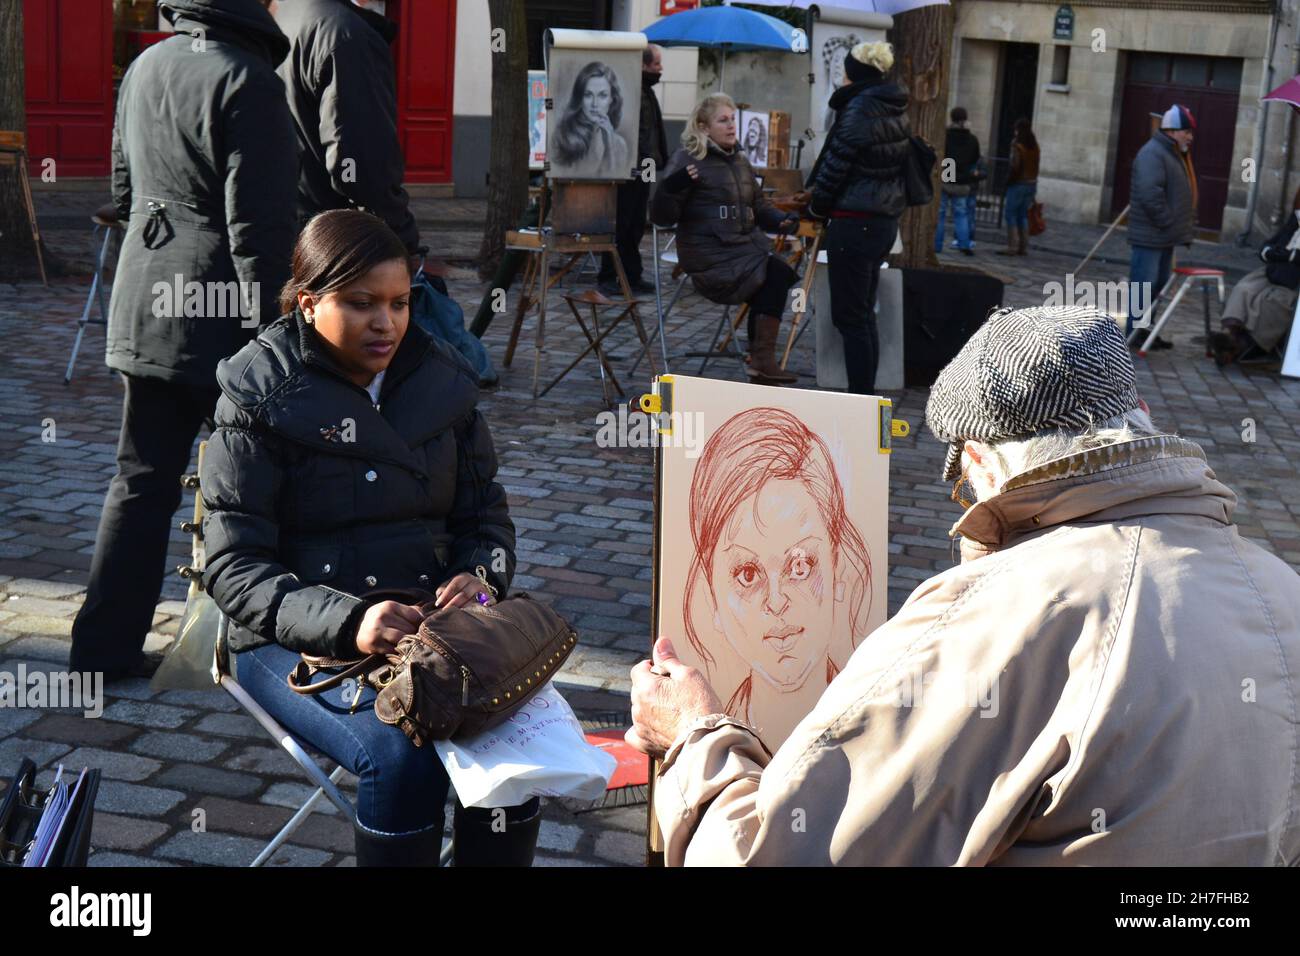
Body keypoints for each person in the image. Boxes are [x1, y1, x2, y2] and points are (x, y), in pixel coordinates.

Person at [627, 305, 1300, 866]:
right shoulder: (1282, 590)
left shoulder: (1002, 614)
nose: (779, 599)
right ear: (1141, 413)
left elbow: (767, 857)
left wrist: (693, 736)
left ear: (976, 460)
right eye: (746, 570)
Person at [200, 210, 539, 867]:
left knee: (513, 759)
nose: (385, 323)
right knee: (401, 757)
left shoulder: (443, 384)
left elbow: (486, 519)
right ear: (307, 303)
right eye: (360, 305)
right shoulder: (258, 395)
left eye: (399, 302)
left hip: (430, 630)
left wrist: (481, 577)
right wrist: (349, 622)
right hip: (291, 636)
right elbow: (235, 566)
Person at [69, 0, 296, 681]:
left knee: (141, 481)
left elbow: (122, 190)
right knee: (267, 478)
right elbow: (258, 226)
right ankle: (272, 646)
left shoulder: (144, 64)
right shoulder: (249, 80)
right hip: (218, 312)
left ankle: (100, 651)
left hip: (145, 297)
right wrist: (276, 330)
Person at [681, 407, 872, 746]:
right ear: (713, 594)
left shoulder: (879, 733)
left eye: (800, 566)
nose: (776, 601)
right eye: (747, 574)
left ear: (835, 566)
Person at [650, 94, 801, 385]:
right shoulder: (688, 159)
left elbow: (757, 206)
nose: (732, 125)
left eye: (733, 119)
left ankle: (760, 361)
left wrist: (781, 220)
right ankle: (761, 361)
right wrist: (672, 186)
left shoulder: (740, 161)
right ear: (704, 128)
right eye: (723, 120)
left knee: (777, 274)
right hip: (709, 256)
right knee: (775, 275)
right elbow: (661, 217)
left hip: (742, 250)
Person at [805, 41, 910, 395]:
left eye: (846, 71)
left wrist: (816, 208)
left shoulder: (858, 109)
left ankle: (860, 398)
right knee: (862, 314)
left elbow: (835, 166)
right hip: (881, 222)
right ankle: (864, 394)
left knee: (851, 316)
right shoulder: (891, 107)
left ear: (855, 74)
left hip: (855, 222)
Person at [273, 0, 420, 254]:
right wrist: (398, 237)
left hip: (286, 223)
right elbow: (359, 163)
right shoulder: (347, 35)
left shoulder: (283, 14)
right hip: (328, 241)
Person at [1126, 103, 1198, 350]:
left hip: (1163, 236)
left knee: (1157, 287)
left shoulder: (1172, 153)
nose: (1190, 137)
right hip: (1151, 235)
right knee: (1144, 286)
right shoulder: (1153, 154)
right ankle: (1135, 334)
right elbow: (1149, 194)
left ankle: (1147, 331)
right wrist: (1168, 222)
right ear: (1173, 131)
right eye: (1187, 131)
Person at [598, 44, 668, 296]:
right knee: (622, 222)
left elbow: (650, 134)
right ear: (643, 65)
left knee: (637, 222)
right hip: (629, 168)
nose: (660, 69)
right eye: (657, 64)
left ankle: (632, 273)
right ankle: (610, 274)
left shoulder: (645, 91)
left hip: (643, 166)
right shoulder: (632, 91)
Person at [1210, 188, 1300, 366]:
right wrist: (1277, 254)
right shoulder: (1295, 219)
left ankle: (1244, 345)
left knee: (1269, 302)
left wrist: (1284, 255)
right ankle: (1230, 334)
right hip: (1276, 271)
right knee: (1244, 289)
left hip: (1293, 281)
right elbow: (1269, 246)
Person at [552, 61, 630, 179]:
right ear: (579, 98)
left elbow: (612, 181)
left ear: (612, 99)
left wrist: (609, 143)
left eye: (602, 95)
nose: (595, 104)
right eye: (588, 95)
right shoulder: (563, 136)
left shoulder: (620, 145)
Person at [934, 106, 981, 257]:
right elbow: (975, 158)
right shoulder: (972, 139)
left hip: (947, 175)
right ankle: (964, 244)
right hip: (962, 180)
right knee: (961, 214)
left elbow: (940, 155)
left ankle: (936, 244)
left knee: (940, 214)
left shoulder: (945, 136)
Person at [997, 117, 1039, 257]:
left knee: (1010, 214)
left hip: (1018, 184)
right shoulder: (1034, 146)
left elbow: (1015, 166)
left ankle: (1012, 246)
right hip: (1031, 183)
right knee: (1022, 215)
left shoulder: (1017, 146)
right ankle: (1023, 246)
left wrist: (1008, 181)